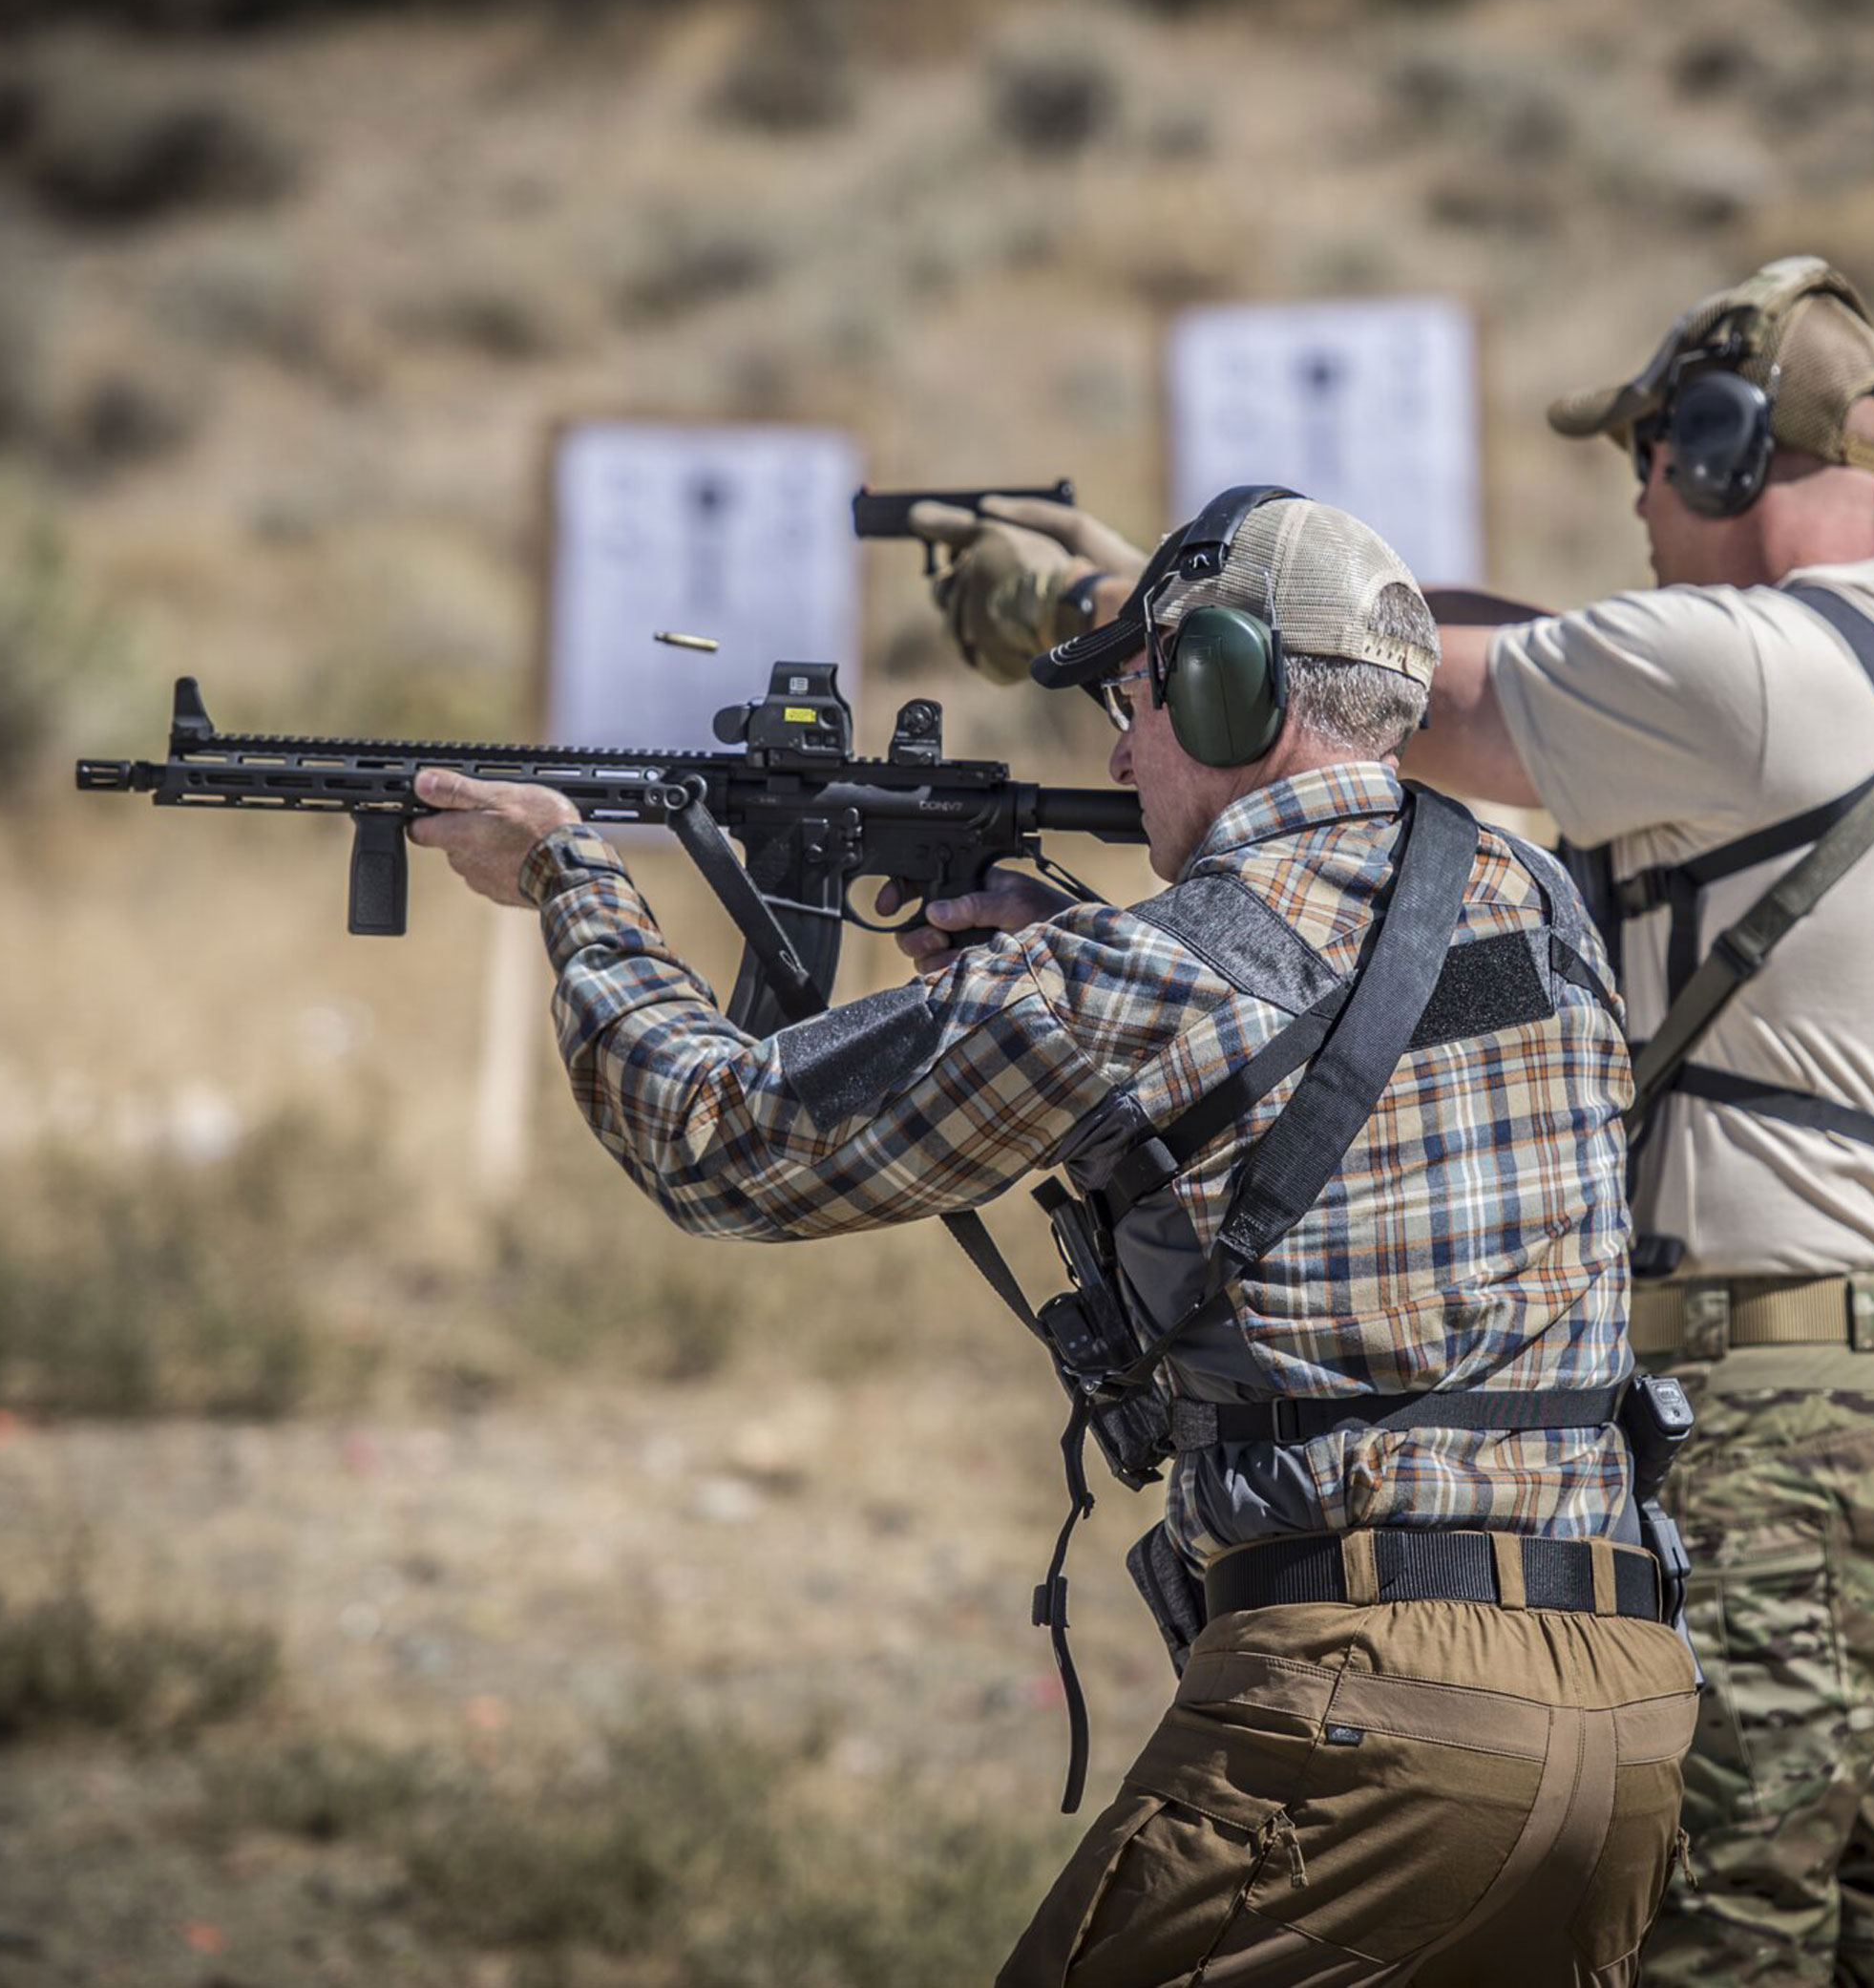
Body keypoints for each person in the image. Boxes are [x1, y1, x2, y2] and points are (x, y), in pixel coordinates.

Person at [924, 258, 1874, 1987]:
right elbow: (1482, 642)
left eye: (1653, 457)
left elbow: (1383, 696)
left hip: (1764, 1401)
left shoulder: (1738, 670)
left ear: (1730, 448)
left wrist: (1086, 598)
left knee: (1712, 1948)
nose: (1639, 498)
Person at [411, 491, 1697, 1986]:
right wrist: (1063, 930)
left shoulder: (1130, 984)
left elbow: (719, 1139)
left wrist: (573, 881)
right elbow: (1321, 1020)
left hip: (1364, 1722)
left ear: (1234, 689)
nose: (1117, 750)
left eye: (1141, 700)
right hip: (1627, 1716)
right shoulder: (1533, 902)